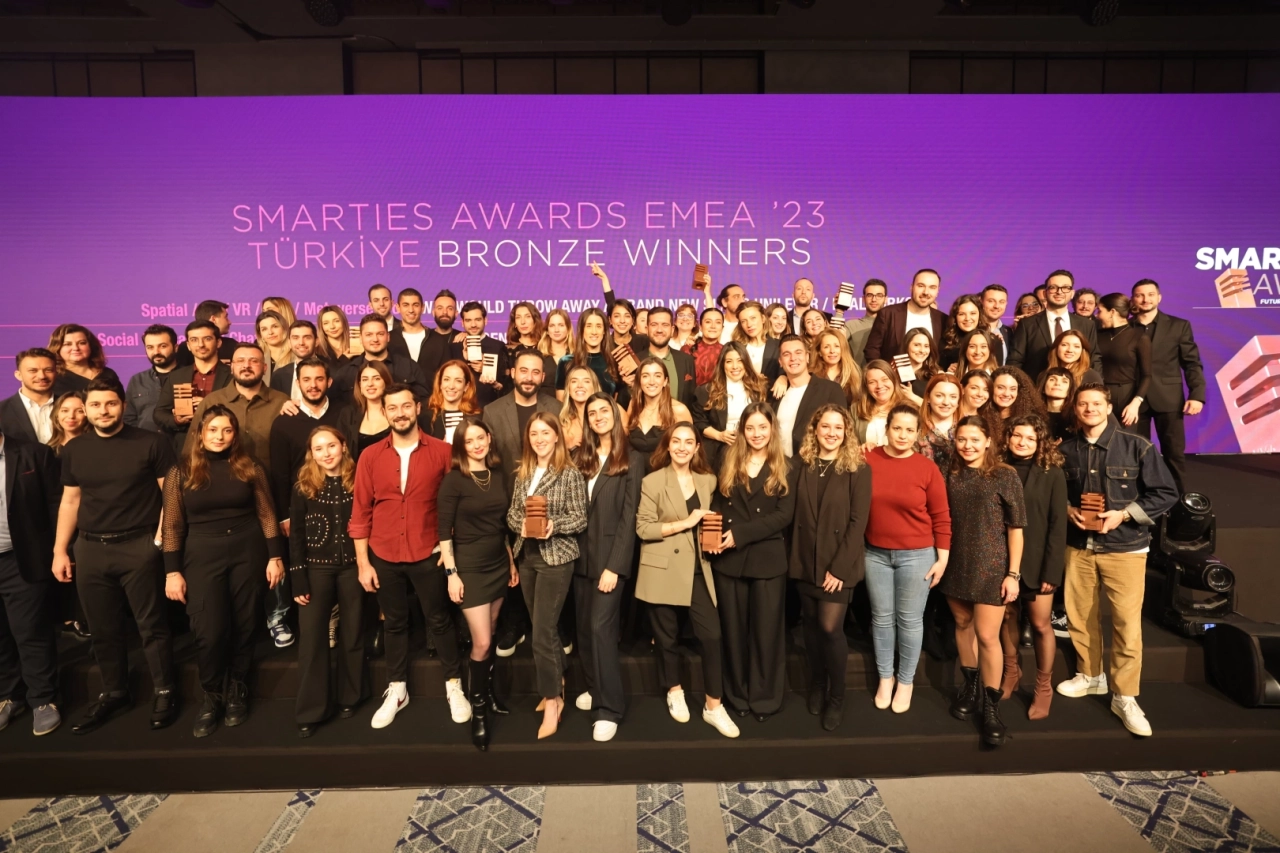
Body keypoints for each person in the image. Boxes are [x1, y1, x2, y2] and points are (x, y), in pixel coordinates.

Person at [53, 379, 178, 734]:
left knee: (152, 626)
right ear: (86, 409)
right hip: (90, 549)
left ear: (123, 405)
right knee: (103, 628)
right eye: (95, 405)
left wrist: (159, 540)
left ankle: (165, 691)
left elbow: (171, 495)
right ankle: (114, 692)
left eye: (110, 404)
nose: (103, 411)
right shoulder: (75, 448)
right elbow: (71, 501)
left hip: (139, 546)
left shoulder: (152, 442)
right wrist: (60, 549)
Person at [1056, 384, 1177, 737]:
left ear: (1109, 407)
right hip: (1079, 546)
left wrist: (1123, 515)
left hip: (1125, 548)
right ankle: (1090, 676)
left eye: (1097, 403)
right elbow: (1054, 493)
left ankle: (1125, 696)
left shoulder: (1137, 446)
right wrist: (1068, 509)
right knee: (1080, 617)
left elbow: (1166, 493)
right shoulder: (1065, 451)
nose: (1090, 409)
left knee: (1126, 625)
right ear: (1075, 409)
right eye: (1083, 404)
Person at [350, 383, 470, 730]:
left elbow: (457, 505)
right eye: (392, 407)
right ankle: (397, 689)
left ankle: (453, 685)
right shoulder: (370, 456)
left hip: (427, 551)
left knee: (439, 621)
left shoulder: (443, 452)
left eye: (406, 406)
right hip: (384, 553)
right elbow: (360, 513)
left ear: (418, 408)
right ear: (384, 412)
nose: (399, 413)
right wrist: (363, 563)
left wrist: (449, 549)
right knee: (395, 623)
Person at [161, 405, 285, 737]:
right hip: (202, 554)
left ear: (235, 434)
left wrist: (275, 556)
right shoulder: (181, 471)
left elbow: (267, 514)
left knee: (245, 624)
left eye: (227, 430)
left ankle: (237, 689)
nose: (220, 436)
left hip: (248, 551)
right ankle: (212, 695)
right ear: (200, 433)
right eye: (213, 430)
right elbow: (172, 525)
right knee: (209, 631)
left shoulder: (250, 466)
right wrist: (172, 572)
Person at [187, 343, 297, 646]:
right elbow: (191, 449)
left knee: (275, 556)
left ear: (264, 367)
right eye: (241, 360)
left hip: (270, 493)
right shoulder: (213, 401)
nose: (247, 365)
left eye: (254, 361)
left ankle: (276, 617)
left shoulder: (282, 401)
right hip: (222, 497)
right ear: (231, 366)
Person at [635, 422, 739, 739]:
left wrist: (715, 538)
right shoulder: (652, 481)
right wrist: (685, 523)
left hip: (697, 569)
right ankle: (674, 690)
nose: (682, 447)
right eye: (676, 441)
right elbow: (643, 528)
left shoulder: (709, 480)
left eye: (688, 442)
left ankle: (713, 706)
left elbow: (714, 520)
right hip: (661, 568)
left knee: (712, 636)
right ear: (667, 446)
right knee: (667, 639)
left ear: (697, 447)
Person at [940, 415, 1026, 748]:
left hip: (992, 567)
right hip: (956, 564)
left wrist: (1013, 574)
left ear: (988, 441)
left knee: (988, 636)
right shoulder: (949, 473)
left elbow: (1016, 530)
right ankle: (970, 687)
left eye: (975, 439)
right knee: (963, 625)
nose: (967, 445)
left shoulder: (1005, 475)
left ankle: (991, 708)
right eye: (961, 439)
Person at [707, 403, 796, 723]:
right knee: (733, 632)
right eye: (750, 428)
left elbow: (784, 516)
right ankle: (737, 695)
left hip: (767, 560)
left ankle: (765, 699)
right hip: (728, 560)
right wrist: (713, 536)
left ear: (772, 429)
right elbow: (717, 504)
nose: (757, 434)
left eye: (762, 427)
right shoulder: (727, 459)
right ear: (742, 431)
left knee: (766, 634)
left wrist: (740, 534)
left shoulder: (787, 466)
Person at [863, 404, 950, 715]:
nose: (902, 435)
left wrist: (942, 559)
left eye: (909, 430)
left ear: (917, 434)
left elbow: (941, 517)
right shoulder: (867, 459)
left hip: (917, 556)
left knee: (910, 621)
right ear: (887, 428)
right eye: (897, 428)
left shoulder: (927, 468)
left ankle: (905, 681)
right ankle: (885, 678)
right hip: (875, 554)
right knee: (881, 619)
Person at [788, 405, 871, 729]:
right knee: (809, 626)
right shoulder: (801, 465)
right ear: (815, 429)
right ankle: (817, 683)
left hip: (839, 563)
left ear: (847, 431)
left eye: (838, 427)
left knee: (829, 628)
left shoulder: (858, 469)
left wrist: (838, 569)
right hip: (805, 560)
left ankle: (837, 696)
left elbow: (857, 523)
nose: (832, 433)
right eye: (826, 426)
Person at [506, 412, 588, 739]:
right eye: (534, 433)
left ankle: (552, 700)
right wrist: (522, 526)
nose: (539, 439)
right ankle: (559, 681)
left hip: (556, 558)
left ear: (557, 436)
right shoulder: (523, 473)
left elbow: (580, 518)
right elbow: (512, 513)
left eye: (545, 432)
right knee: (544, 628)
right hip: (527, 556)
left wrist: (554, 525)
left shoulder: (569, 473)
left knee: (541, 632)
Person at [440, 417, 518, 751]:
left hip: (498, 562)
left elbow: (503, 526)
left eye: (480, 438)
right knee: (483, 641)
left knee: (494, 629)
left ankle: (487, 693)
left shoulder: (499, 476)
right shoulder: (453, 480)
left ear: (489, 438)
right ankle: (479, 711)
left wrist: (511, 562)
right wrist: (451, 574)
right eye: (468, 441)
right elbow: (444, 532)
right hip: (469, 567)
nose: (476, 445)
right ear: (461, 446)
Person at [571, 393, 642, 743]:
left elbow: (630, 517)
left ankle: (609, 708)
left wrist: (615, 566)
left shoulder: (632, 458)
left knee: (601, 629)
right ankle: (594, 687)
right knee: (585, 631)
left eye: (604, 411)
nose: (598, 416)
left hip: (610, 561)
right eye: (592, 413)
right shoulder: (578, 457)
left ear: (615, 415)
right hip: (578, 559)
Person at [478, 350, 558, 658]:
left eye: (535, 372)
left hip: (549, 501)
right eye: (523, 370)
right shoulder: (493, 411)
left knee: (547, 565)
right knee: (514, 567)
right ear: (512, 373)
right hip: (508, 500)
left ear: (543, 377)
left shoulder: (556, 407)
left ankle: (552, 627)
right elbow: (490, 460)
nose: (529, 377)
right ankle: (514, 624)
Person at [289, 425, 366, 738]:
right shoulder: (303, 486)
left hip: (353, 568)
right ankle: (312, 709)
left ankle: (351, 697)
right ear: (311, 453)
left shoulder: (360, 479)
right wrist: (298, 578)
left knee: (353, 632)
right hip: (315, 569)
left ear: (343, 446)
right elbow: (296, 534)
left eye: (331, 446)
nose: (326, 453)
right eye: (319, 448)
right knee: (312, 639)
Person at [1001, 415, 1067, 720]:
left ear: (1040, 442)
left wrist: (1052, 572)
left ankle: (1043, 687)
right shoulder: (998, 468)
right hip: (1002, 561)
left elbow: (1058, 526)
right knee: (1007, 619)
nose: (1022, 442)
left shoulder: (1053, 474)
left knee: (1041, 625)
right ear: (1008, 437)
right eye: (1017, 435)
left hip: (1039, 563)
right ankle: (1011, 672)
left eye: (1030, 438)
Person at [0, 428, 63, 736]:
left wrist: (59, 551)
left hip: (21, 558)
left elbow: (55, 505)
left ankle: (43, 699)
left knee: (30, 631)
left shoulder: (33, 453)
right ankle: (9, 697)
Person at [1129, 279, 1205, 493]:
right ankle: (1141, 499)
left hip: (1169, 398)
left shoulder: (1178, 325)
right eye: (1140, 295)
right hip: (1133, 400)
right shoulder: (1125, 326)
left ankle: (1177, 500)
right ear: (1133, 299)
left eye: (1150, 294)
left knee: (1173, 453)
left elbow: (1191, 363)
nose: (1145, 299)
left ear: (1159, 297)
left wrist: (1197, 395)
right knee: (1136, 453)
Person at [268, 357, 344, 533]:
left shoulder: (345, 414)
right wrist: (284, 515)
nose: (313, 385)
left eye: (319, 379)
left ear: (329, 382)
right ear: (298, 383)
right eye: (306, 379)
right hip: (302, 506)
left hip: (342, 501)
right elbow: (280, 474)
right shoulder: (283, 422)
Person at [154, 320, 233, 456]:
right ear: (188, 346)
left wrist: (207, 405)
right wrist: (177, 420)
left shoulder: (232, 375)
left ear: (218, 342)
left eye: (207, 339)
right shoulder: (176, 376)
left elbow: (240, 410)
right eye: (194, 340)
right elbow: (159, 414)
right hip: (186, 447)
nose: (200, 344)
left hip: (224, 448)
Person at [1007, 270, 1100, 383]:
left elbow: (1094, 359)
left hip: (1077, 388)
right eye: (1053, 287)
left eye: (1065, 287)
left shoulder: (1086, 325)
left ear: (1072, 293)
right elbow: (1015, 361)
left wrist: (1097, 387)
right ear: (1045, 293)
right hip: (1036, 388)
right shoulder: (1027, 324)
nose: (1059, 292)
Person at [694, 342, 766, 473]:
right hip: (720, 451)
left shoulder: (759, 388)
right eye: (729, 361)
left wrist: (783, 378)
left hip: (753, 449)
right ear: (722, 364)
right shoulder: (706, 391)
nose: (735, 366)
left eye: (739, 360)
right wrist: (719, 435)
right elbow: (698, 422)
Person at [773, 335, 846, 457]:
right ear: (780, 361)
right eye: (786, 354)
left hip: (814, 463)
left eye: (798, 352)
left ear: (807, 357)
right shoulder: (775, 393)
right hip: (780, 464)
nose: (793, 358)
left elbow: (844, 430)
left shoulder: (830, 390)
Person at [334, 314, 430, 402]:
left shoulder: (409, 367)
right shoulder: (346, 373)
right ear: (360, 338)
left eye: (380, 334)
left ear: (388, 337)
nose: (375, 339)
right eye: (369, 335)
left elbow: (424, 401)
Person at [1094, 293, 1151, 435]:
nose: (1097, 315)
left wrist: (1135, 404)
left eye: (1100, 311)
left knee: (1124, 441)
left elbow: (1147, 375)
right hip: (1099, 393)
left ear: (1112, 312)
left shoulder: (1139, 337)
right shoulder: (1098, 335)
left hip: (1126, 397)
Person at [864, 269, 946, 363]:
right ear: (911, 287)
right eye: (921, 286)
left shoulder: (943, 320)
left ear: (938, 291)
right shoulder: (888, 314)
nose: (926, 292)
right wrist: (882, 371)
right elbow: (872, 350)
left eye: (932, 287)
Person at [627, 358, 693, 473]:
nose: (651, 381)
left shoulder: (679, 410)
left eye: (657, 376)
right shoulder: (633, 405)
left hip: (665, 478)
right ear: (639, 381)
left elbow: (690, 450)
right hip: (634, 476)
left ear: (665, 381)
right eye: (646, 376)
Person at [390, 289, 458, 393]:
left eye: (415, 305)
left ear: (423, 308)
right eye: (406, 305)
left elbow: (447, 375)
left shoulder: (438, 340)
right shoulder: (389, 339)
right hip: (397, 400)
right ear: (398, 308)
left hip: (431, 400)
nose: (411, 310)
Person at [634, 307, 698, 410]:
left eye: (665, 325)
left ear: (672, 330)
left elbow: (691, 401)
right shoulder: (635, 361)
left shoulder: (686, 360)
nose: (659, 330)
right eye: (654, 325)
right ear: (647, 329)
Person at [449, 302, 510, 407]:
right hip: (460, 407)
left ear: (485, 320)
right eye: (468, 320)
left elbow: (505, 384)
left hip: (490, 407)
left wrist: (485, 370)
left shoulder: (498, 346)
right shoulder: (454, 347)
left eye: (477, 320)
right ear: (462, 323)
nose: (473, 325)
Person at [124, 324, 180, 432]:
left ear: (175, 347)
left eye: (162, 346)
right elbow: (128, 419)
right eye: (150, 347)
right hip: (143, 440)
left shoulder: (188, 376)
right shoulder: (137, 380)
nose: (156, 352)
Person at [558, 308, 622, 400]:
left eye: (598, 326)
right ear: (582, 330)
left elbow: (615, 400)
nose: (594, 332)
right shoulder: (566, 362)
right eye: (589, 326)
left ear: (604, 331)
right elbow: (561, 402)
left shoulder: (614, 361)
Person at [335, 359, 392, 462]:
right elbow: (343, 455)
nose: (370, 384)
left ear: (386, 382)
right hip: (357, 471)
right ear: (360, 385)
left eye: (376, 378)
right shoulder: (348, 415)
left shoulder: (397, 413)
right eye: (365, 379)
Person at [1, 349, 58, 445]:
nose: (42, 376)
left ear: (56, 373)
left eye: (48, 370)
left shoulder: (72, 406)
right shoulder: (2, 411)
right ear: (18, 375)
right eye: (33, 371)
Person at [48, 324, 120, 397]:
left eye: (82, 343)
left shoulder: (108, 374)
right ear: (57, 348)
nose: (76, 348)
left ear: (91, 346)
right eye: (68, 344)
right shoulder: (54, 379)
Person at [593, 263, 651, 354]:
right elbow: (611, 306)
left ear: (633, 320)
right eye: (617, 316)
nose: (622, 321)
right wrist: (605, 280)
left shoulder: (644, 341)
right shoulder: (604, 345)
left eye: (627, 316)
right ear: (610, 320)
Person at [983, 366, 1047, 447]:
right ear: (991, 388)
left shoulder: (1031, 420)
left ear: (1019, 392)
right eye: (1000, 388)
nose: (1006, 394)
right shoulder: (981, 416)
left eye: (1012, 389)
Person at [854, 359, 911, 449]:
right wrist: (861, 448)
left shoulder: (909, 409)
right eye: (872, 382)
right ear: (866, 386)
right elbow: (849, 443)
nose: (879, 386)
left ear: (893, 380)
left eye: (884, 380)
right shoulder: (856, 409)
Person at [423, 360, 481, 445]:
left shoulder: (477, 417)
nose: (451, 386)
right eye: (446, 379)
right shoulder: (426, 417)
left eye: (458, 381)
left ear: (466, 386)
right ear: (440, 383)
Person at [917, 374, 961, 473]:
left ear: (958, 400)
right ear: (928, 397)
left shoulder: (968, 426)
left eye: (953, 397)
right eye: (939, 396)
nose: (946, 402)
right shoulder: (916, 427)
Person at [732, 301, 782, 386]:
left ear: (763, 318)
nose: (749, 324)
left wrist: (783, 378)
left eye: (753, 318)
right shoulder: (736, 348)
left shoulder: (779, 346)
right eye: (743, 321)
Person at [268, 320, 319, 401]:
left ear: (316, 342)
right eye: (295, 338)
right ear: (289, 343)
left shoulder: (332, 372)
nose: (301, 343)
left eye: (307, 338)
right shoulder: (279, 375)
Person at [809, 329, 862, 407]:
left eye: (836, 346)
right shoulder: (811, 376)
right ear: (819, 352)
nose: (832, 351)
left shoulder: (854, 376)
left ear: (843, 349)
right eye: (826, 347)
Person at [843, 278, 889, 367]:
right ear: (863, 299)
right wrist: (839, 311)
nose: (874, 299)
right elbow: (833, 341)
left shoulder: (893, 326)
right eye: (869, 295)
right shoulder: (851, 325)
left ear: (886, 299)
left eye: (879, 295)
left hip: (884, 375)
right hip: (856, 375)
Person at [558, 366, 601, 452]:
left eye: (586, 381)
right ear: (569, 389)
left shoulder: (611, 410)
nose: (580, 385)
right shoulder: (565, 426)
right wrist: (569, 448)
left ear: (594, 387)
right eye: (574, 381)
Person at [682, 308, 725, 387]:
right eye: (708, 322)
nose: (713, 326)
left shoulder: (727, 351)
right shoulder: (687, 350)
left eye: (718, 322)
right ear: (700, 326)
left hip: (719, 394)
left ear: (722, 327)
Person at [538, 308, 576, 394]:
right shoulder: (538, 356)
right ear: (547, 330)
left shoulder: (577, 355)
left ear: (568, 328)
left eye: (561, 325)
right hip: (544, 401)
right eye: (552, 326)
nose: (556, 330)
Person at [940, 295, 982, 371]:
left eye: (973, 313)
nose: (967, 318)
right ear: (955, 317)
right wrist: (948, 371)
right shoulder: (946, 342)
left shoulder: (992, 340)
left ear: (980, 315)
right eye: (961, 314)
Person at [899, 328, 941, 402]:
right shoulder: (894, 371)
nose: (922, 350)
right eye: (917, 345)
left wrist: (912, 396)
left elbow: (936, 406)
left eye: (926, 346)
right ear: (907, 346)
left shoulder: (936, 375)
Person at [1037, 367, 1078, 441]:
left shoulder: (1076, 416)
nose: (1057, 383)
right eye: (1052, 379)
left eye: (1064, 381)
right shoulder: (1033, 415)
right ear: (1043, 387)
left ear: (1070, 390)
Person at [255, 310, 293, 383]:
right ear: (260, 335)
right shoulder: (257, 357)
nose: (270, 332)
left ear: (284, 328)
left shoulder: (296, 355)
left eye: (275, 326)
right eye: (264, 329)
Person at [979, 284, 1011, 366]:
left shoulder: (1009, 332)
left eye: (1001, 302)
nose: (996, 306)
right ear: (981, 301)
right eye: (991, 301)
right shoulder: (972, 329)